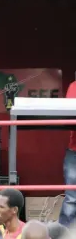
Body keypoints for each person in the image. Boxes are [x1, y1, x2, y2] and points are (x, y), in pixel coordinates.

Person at [60, 80, 76, 226]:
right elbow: (70, 113)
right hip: (75, 151)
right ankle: (65, 235)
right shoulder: (74, 86)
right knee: (72, 198)